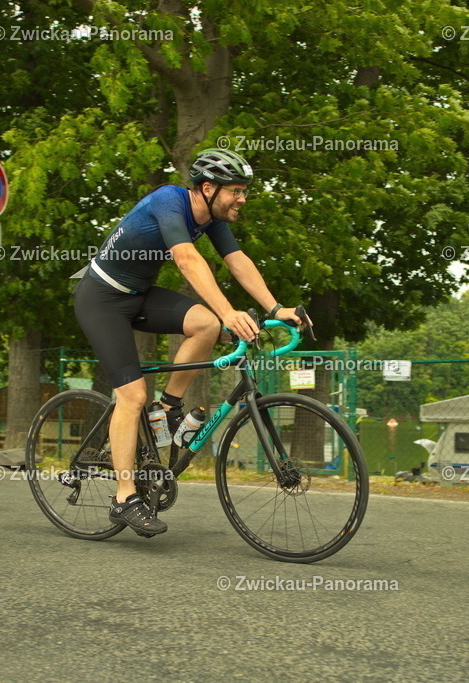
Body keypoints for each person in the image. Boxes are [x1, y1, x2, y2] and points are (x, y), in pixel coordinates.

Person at [71, 148, 303, 537]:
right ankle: (124, 496)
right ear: (208, 188)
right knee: (131, 396)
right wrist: (230, 312)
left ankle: (168, 407)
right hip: (101, 299)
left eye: (245, 191)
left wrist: (276, 307)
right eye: (237, 191)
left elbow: (237, 260)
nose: (243, 199)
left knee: (206, 326)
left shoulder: (211, 216)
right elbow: (187, 260)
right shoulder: (168, 201)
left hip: (138, 294)